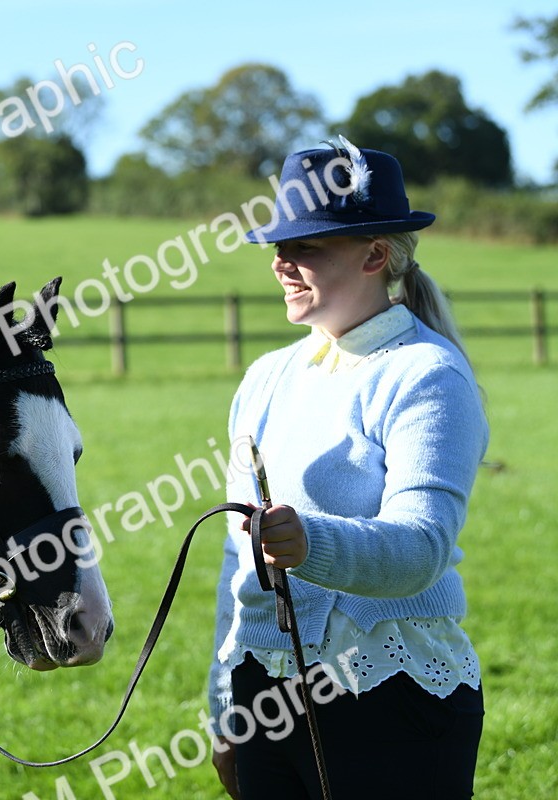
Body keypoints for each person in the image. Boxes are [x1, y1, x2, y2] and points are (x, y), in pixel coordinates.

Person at [208, 137, 488, 799]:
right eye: (279, 247)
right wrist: (226, 708)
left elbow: (422, 548)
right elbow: (235, 567)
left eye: (306, 246)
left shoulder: (429, 374)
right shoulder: (265, 377)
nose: (282, 263)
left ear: (374, 254)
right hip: (264, 697)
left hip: (391, 694)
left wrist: (312, 544)